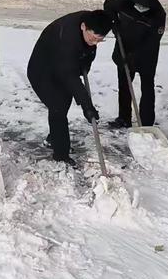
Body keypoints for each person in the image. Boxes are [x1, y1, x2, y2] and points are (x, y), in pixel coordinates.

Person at [27, 10, 112, 166]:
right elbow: (70, 77)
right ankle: (61, 154)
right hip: (42, 70)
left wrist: (84, 62)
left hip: (63, 66)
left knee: (64, 102)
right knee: (57, 107)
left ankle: (54, 137)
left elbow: (112, 8)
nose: (94, 43)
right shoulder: (67, 40)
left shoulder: (92, 20)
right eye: (92, 38)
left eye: (99, 41)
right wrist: (87, 106)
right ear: (83, 27)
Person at [104, 0, 166, 128]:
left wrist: (133, 57)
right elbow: (108, 5)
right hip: (123, 47)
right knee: (124, 85)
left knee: (147, 87)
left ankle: (146, 123)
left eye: (144, 5)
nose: (140, 7)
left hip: (146, 55)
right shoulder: (123, 1)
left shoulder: (158, 14)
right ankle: (124, 118)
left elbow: (152, 42)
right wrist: (114, 23)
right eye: (138, 3)